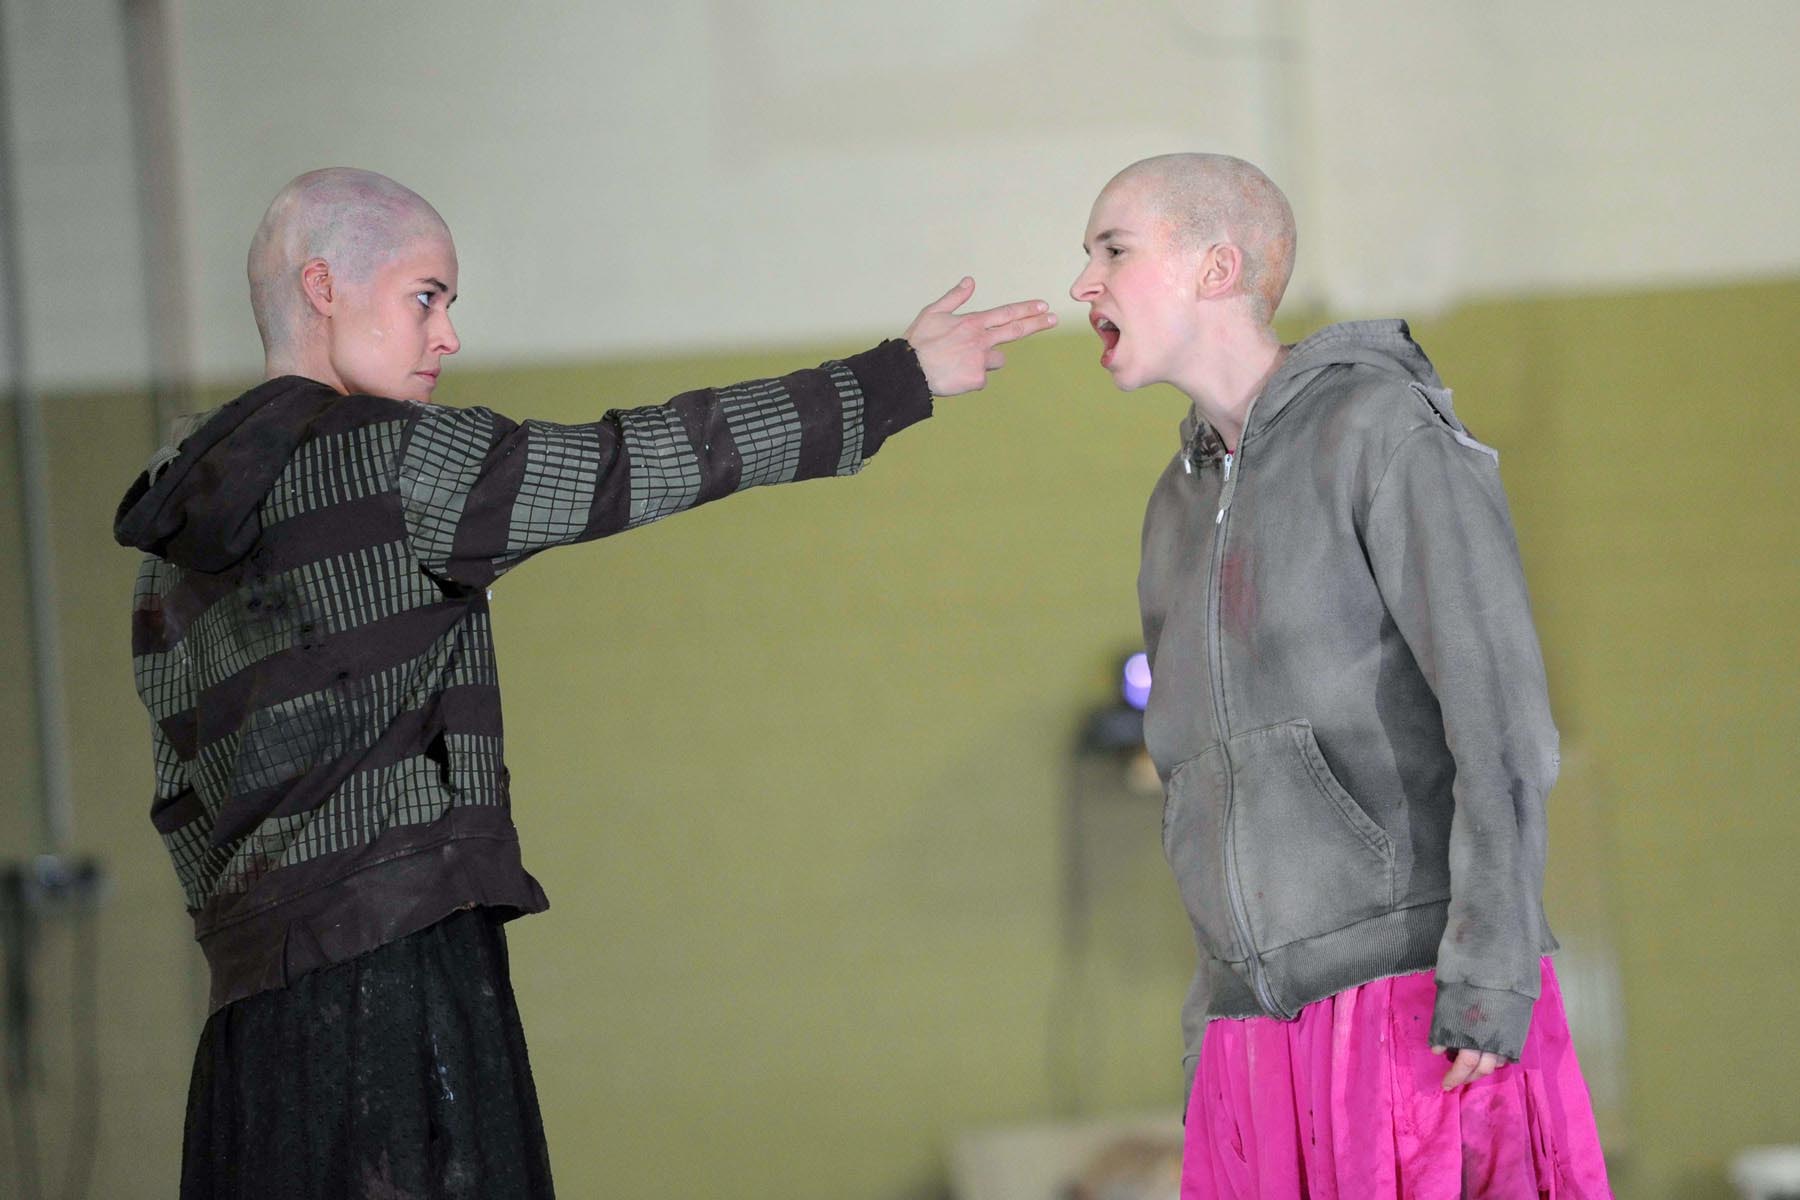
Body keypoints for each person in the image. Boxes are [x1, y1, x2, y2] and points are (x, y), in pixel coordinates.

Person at [115, 167, 1057, 1199]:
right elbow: (635, 461)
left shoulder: (172, 531)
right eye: (426, 297)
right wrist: (894, 380)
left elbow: (181, 800)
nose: (447, 337)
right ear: (323, 286)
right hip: (396, 991)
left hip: (248, 1038)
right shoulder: (395, 459)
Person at [1070, 153, 1612, 1198]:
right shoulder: (1174, 505)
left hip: (1413, 1001)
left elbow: (1501, 723)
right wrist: (1210, 1030)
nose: (1084, 283)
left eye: (1113, 250)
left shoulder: (1380, 429)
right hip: (1251, 1032)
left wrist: (1492, 974)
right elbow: (1194, 782)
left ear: (1217, 267)